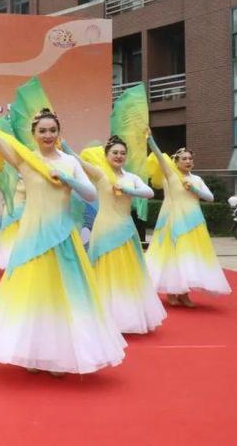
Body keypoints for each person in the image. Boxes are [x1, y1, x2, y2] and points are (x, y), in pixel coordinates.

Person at [0, 93, 125, 376]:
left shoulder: (68, 162)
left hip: (63, 237)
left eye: (53, 130)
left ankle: (60, 356)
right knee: (32, 295)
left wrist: (67, 178)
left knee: (62, 296)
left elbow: (90, 193)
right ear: (34, 134)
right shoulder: (25, 160)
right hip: (31, 238)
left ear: (59, 133)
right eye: (43, 131)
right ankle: (32, 352)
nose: (48, 135)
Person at [64, 136, 165, 333]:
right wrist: (66, 146)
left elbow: (149, 192)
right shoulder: (101, 175)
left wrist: (127, 189)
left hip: (126, 230)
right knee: (105, 271)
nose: (119, 156)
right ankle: (102, 317)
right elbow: (79, 161)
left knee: (127, 271)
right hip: (104, 230)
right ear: (107, 155)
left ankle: (127, 318)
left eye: (122, 153)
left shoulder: (131, 178)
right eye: (115, 153)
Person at [145, 134, 231, 306]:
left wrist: (194, 189)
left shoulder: (196, 179)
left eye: (190, 158)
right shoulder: (171, 176)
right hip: (175, 222)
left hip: (193, 223)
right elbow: (160, 158)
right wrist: (150, 140)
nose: (188, 161)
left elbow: (210, 198)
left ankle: (184, 293)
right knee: (173, 256)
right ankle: (172, 291)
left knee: (188, 258)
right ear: (176, 162)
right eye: (184, 158)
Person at [0, 178, 25, 271]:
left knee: (20, 238)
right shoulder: (9, 175)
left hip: (22, 212)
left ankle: (19, 264)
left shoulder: (29, 176)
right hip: (9, 211)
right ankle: (7, 264)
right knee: (8, 238)